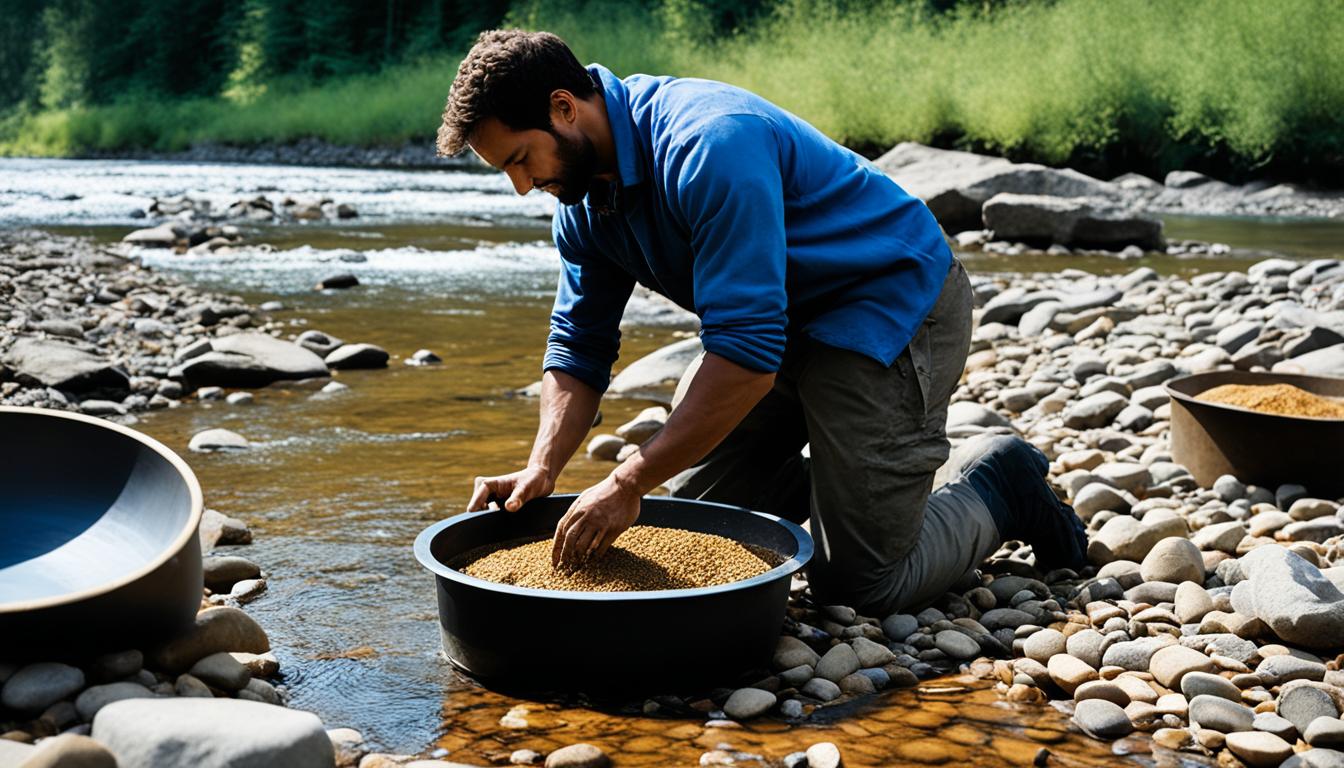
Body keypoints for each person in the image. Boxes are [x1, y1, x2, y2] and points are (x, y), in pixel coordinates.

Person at [443, 29, 1087, 617]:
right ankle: (865, 484)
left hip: (883, 305)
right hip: (777, 324)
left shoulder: (709, 144)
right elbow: (579, 347)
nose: (523, 187)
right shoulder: (583, 198)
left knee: (861, 588)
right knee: (689, 520)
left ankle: (998, 481)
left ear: (564, 108)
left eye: (520, 160)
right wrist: (542, 468)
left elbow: (747, 356)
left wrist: (628, 477)